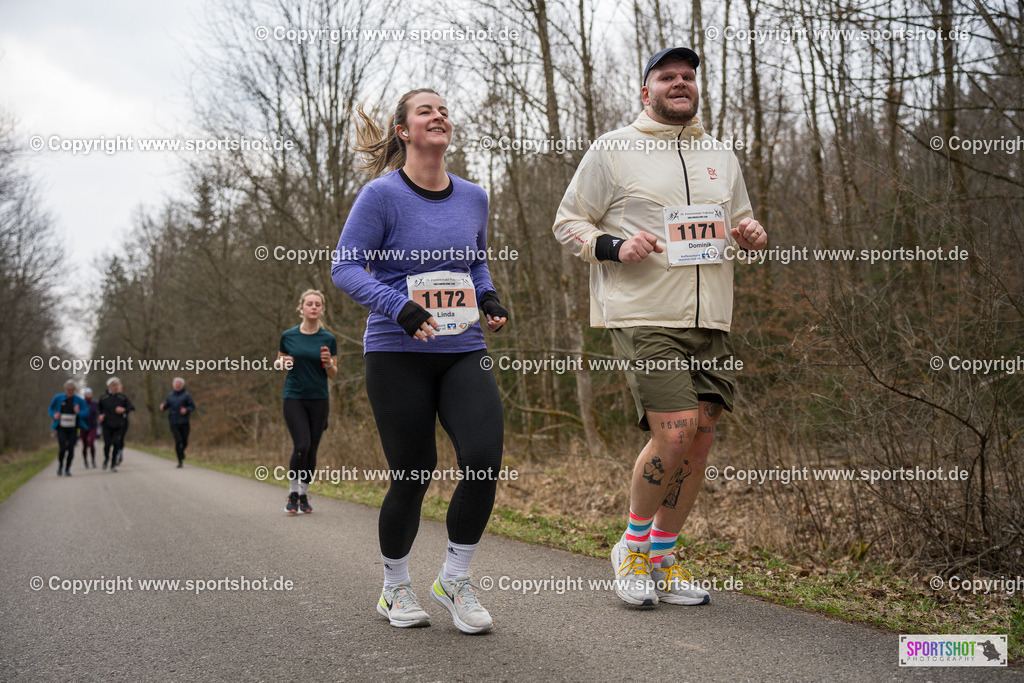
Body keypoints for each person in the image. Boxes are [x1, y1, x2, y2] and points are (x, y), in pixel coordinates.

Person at [553, 47, 768, 607]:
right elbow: (567, 222)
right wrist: (615, 245)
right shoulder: (613, 149)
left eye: (688, 76)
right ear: (645, 90)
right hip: (645, 314)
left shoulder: (720, 153)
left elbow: (739, 219)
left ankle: (663, 558)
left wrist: (750, 233)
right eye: (667, 76)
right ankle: (630, 547)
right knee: (673, 432)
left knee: (699, 439)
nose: (680, 83)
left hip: (712, 315)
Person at [332, 88, 509, 633]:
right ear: (405, 131)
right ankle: (394, 588)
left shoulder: (474, 197)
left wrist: (488, 297)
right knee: (413, 472)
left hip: (462, 350)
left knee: (483, 458)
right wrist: (398, 305)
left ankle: (454, 580)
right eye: (425, 110)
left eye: (444, 109)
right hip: (396, 351)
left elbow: (474, 262)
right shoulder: (381, 197)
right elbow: (346, 267)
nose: (440, 115)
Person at [275, 289, 338, 515]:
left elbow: (333, 373)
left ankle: (303, 494)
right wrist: (283, 364)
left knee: (312, 450)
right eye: (309, 303)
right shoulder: (289, 336)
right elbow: (279, 362)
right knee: (301, 445)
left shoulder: (328, 339)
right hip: (294, 396)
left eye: (317, 304)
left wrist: (329, 363)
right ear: (301, 308)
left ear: (322, 310)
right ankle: (292, 493)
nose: (313, 307)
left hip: (319, 399)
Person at [48, 380, 88, 476]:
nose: (69, 391)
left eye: (71, 389)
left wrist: (78, 412)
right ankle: (60, 466)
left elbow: (86, 413)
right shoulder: (58, 398)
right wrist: (54, 415)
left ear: (74, 390)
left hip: (73, 428)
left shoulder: (79, 400)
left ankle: (67, 469)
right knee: (62, 448)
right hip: (61, 428)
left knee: (71, 449)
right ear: (65, 389)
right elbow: (50, 409)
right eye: (68, 389)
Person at [98, 377, 135, 472]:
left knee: (116, 443)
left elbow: (131, 407)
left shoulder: (123, 397)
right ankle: (106, 459)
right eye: (113, 385)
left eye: (117, 385)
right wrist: (100, 415)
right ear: (109, 386)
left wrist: (124, 410)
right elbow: (98, 409)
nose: (115, 387)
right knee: (107, 445)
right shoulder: (103, 398)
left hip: (119, 425)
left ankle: (113, 464)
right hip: (107, 425)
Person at [159, 377, 196, 467]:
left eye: (179, 384)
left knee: (185, 441)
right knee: (178, 441)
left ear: (182, 385)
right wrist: (163, 407)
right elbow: (166, 405)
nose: (177, 385)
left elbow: (192, 406)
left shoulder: (187, 395)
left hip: (184, 421)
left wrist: (186, 410)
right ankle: (180, 461)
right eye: (176, 384)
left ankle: (182, 452)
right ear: (173, 385)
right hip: (173, 422)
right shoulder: (170, 395)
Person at [79, 387, 99, 468]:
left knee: (91, 443)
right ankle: (85, 461)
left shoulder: (95, 404)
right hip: (83, 426)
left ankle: (93, 460)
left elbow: (98, 413)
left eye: (90, 394)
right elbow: (78, 414)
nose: (89, 395)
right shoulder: (81, 404)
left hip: (93, 426)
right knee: (84, 445)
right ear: (85, 395)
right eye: (87, 394)